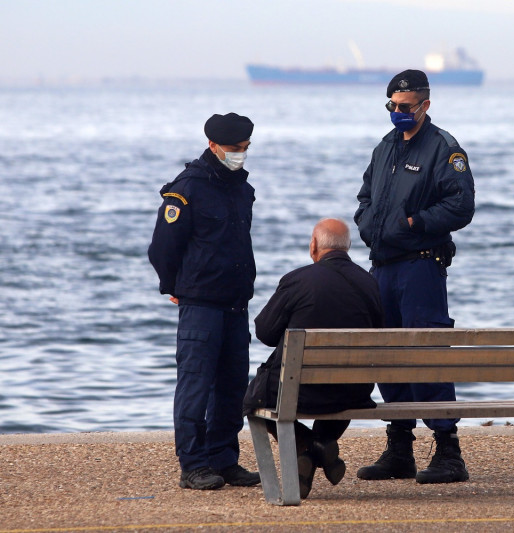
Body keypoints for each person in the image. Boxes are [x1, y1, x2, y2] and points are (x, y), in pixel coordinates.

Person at [353, 70, 475, 484]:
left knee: (428, 353)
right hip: (382, 266)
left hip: (421, 266)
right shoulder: (385, 147)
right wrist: (368, 224)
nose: (398, 112)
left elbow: (461, 205)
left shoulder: (444, 148)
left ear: (425, 105)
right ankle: (399, 447)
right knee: (386, 355)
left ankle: (448, 451)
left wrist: (413, 222)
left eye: (406, 106)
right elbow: (365, 197)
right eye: (392, 105)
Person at [148, 112, 261, 490]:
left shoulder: (242, 189)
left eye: (245, 147)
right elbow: (162, 248)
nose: (240, 154)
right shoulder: (187, 189)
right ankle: (193, 464)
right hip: (201, 305)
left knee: (232, 388)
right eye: (234, 148)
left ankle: (224, 459)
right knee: (195, 387)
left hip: (236, 304)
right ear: (212, 145)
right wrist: (174, 286)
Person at [243, 218, 383, 499]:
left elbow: (265, 333)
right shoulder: (370, 283)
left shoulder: (297, 280)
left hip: (301, 392)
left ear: (314, 245)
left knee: (251, 398)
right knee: (339, 388)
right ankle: (321, 444)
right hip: (355, 391)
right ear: (347, 246)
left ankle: (309, 445)